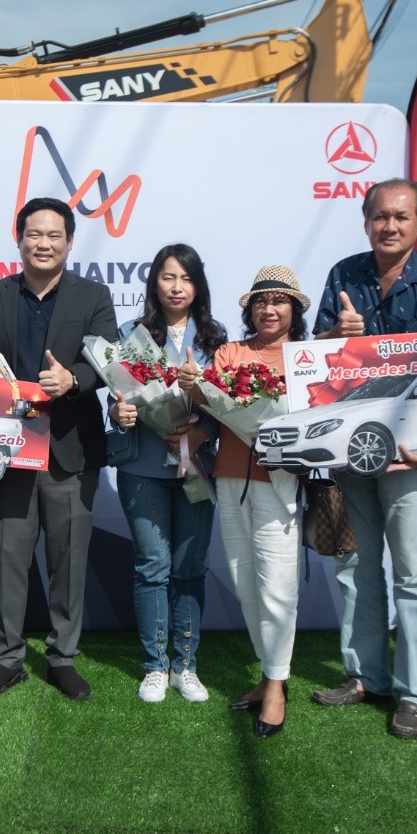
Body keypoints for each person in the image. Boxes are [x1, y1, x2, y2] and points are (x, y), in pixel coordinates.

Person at [310, 178, 417, 740]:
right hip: (353, 450)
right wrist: (336, 333)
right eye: (380, 216)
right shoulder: (343, 275)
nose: (390, 225)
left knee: (415, 574)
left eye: (401, 217)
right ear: (366, 220)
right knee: (355, 567)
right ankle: (366, 676)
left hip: (411, 456)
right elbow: (315, 362)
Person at [0, 196, 119, 700]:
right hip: (8, 451)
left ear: (70, 242)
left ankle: (62, 658)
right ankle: (7, 658)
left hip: (70, 450)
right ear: (19, 239)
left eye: (55, 235)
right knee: (6, 557)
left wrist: (72, 378)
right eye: (34, 234)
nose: (44, 243)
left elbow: (107, 362)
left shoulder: (93, 296)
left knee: (68, 561)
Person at [178, 265, 311, 738]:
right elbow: (212, 409)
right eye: (260, 301)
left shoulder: (307, 356)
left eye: (278, 301)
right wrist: (194, 386)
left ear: (295, 309)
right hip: (231, 477)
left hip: (281, 482)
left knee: (277, 586)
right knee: (245, 582)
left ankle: (276, 686)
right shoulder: (230, 352)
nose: (268, 309)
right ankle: (268, 673)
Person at [109, 244, 226, 704]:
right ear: (154, 281)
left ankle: (186, 666)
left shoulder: (216, 338)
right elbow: (117, 398)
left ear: (199, 286)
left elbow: (233, 404)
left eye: (187, 278)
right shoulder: (130, 333)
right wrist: (119, 413)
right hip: (142, 466)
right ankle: (155, 666)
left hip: (198, 466)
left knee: (190, 567)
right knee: (152, 567)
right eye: (168, 277)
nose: (177, 287)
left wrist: (203, 429)